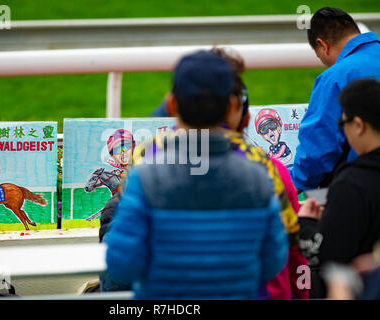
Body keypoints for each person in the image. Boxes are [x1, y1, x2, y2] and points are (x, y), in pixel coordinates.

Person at [104, 50, 288, 299]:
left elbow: (121, 264)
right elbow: (274, 261)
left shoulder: (145, 178)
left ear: (171, 105)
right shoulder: (258, 176)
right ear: (232, 105)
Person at [298, 78, 380, 298]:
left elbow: (328, 257)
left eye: (343, 124)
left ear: (359, 125)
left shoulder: (352, 183)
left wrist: (306, 224)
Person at [290, 7, 380, 191]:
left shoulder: (335, 77)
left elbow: (319, 149)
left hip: (362, 191)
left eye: (319, 56)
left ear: (323, 45)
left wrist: (293, 183)